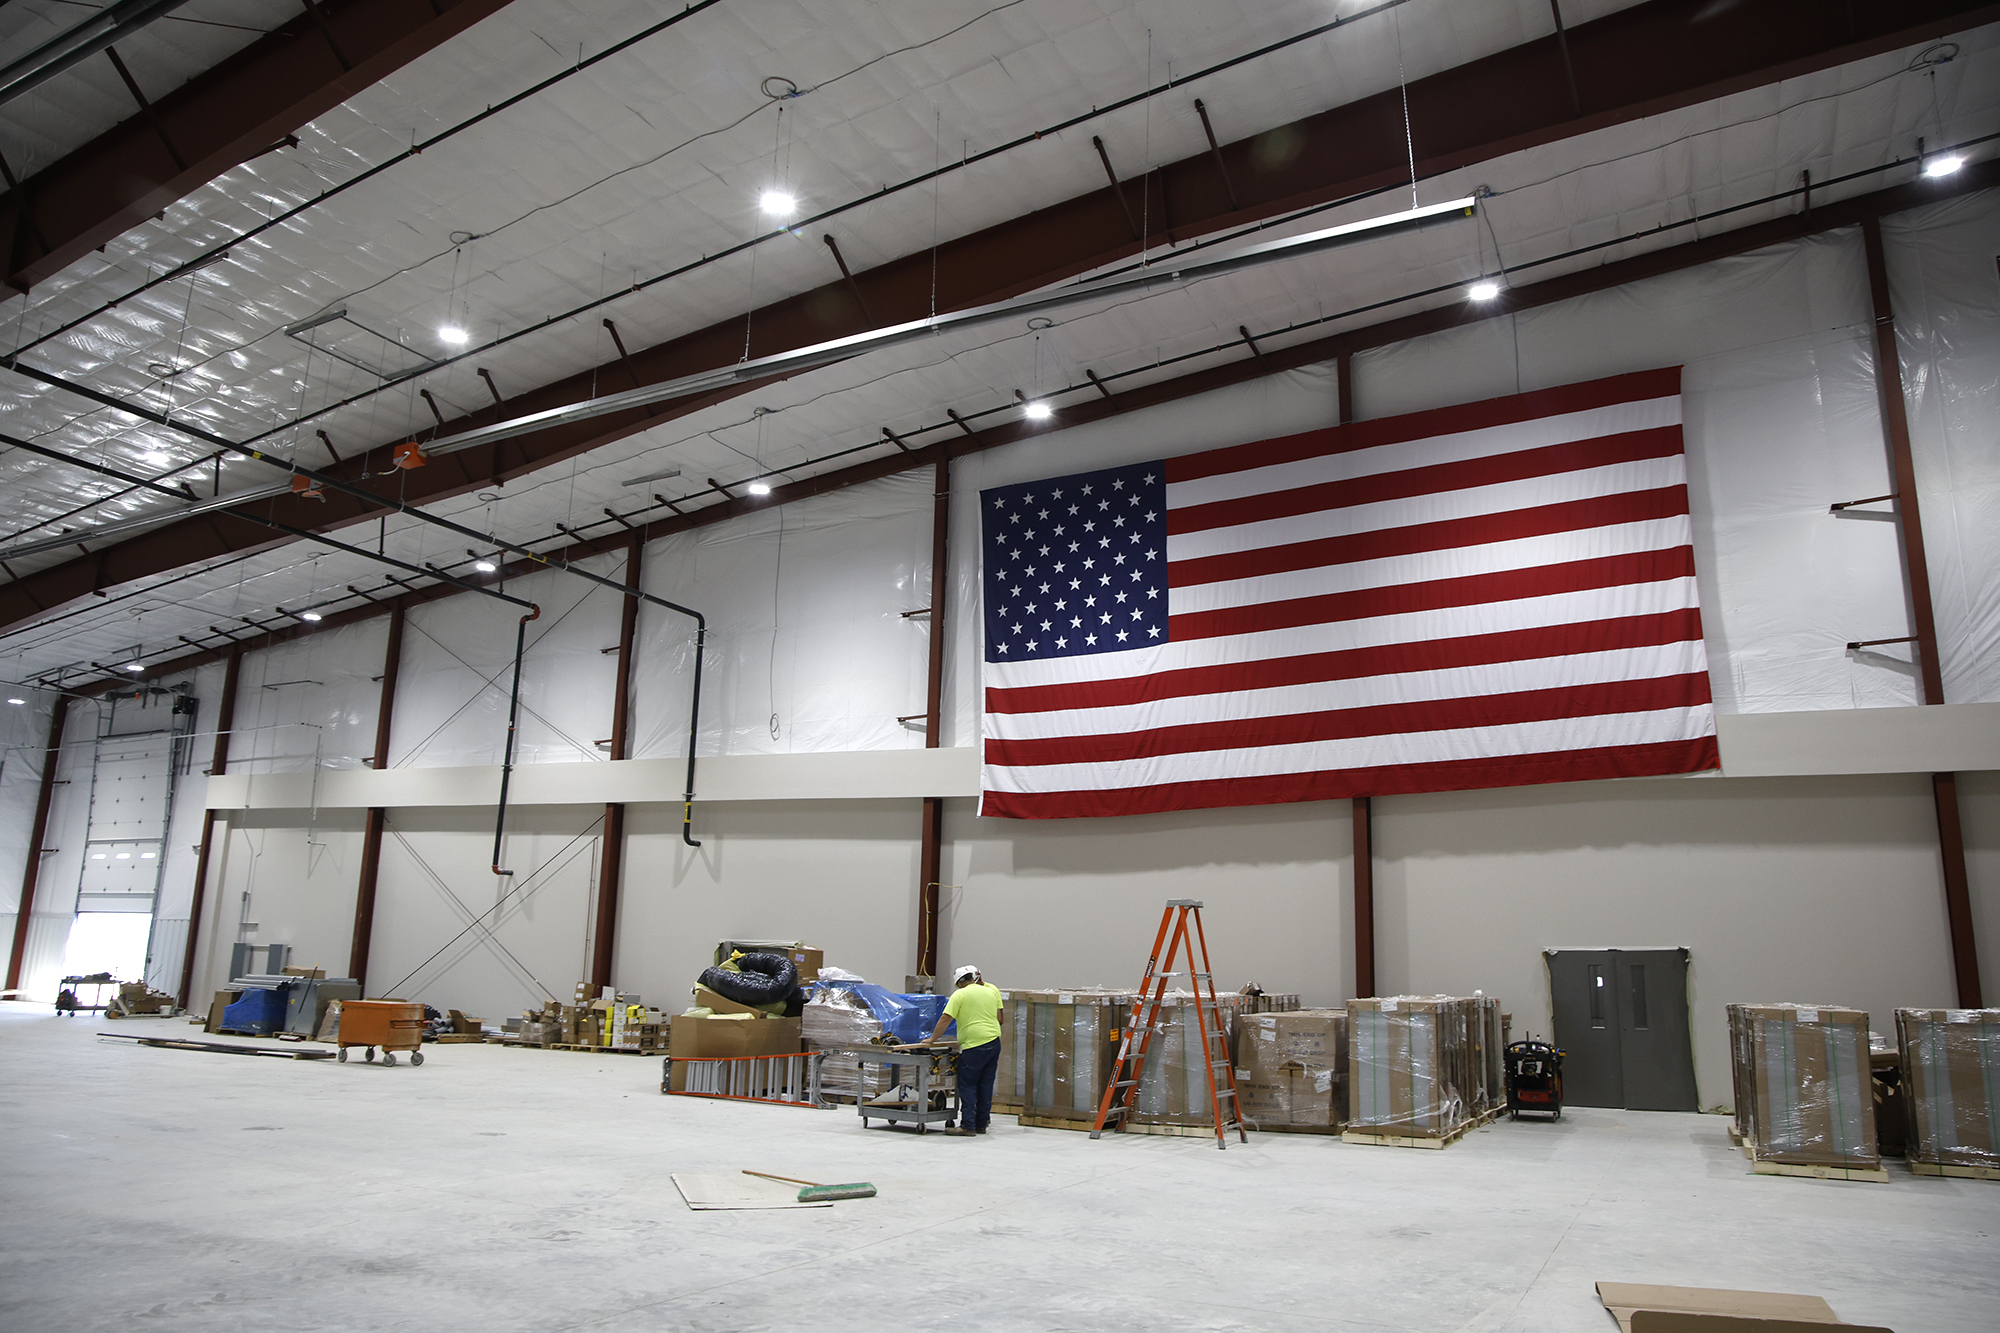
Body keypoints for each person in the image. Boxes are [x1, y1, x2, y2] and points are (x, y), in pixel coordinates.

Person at [927, 964, 1003, 1136]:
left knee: (968, 1085)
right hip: (993, 1042)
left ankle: (968, 1125)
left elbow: (945, 1018)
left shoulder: (959, 995)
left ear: (960, 982)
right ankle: (981, 1124)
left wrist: (932, 1039)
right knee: (986, 1085)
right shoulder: (991, 991)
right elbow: (999, 1018)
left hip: (974, 1045)